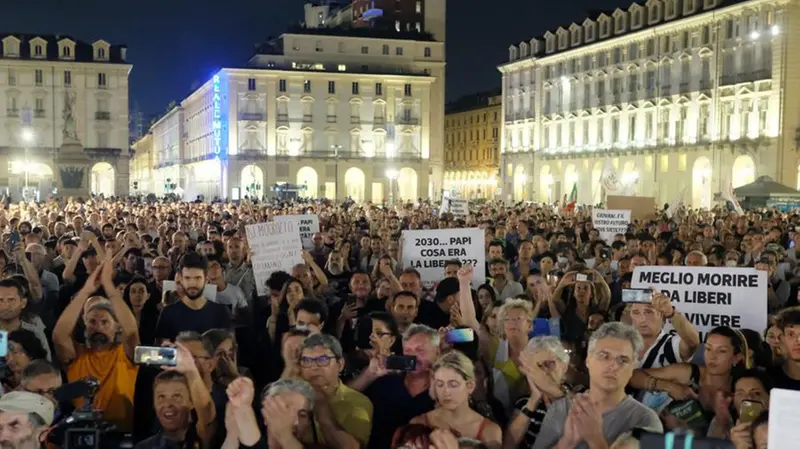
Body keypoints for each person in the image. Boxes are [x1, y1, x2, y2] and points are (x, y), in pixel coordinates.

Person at [532, 322, 662, 449]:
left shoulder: (645, 420)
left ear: (633, 367)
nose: (613, 365)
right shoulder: (561, 408)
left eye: (623, 360)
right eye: (604, 356)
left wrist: (595, 438)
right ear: (588, 360)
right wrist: (566, 443)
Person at [52, 257, 139, 432]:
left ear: (116, 327)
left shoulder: (125, 354)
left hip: (120, 434)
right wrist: (85, 291)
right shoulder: (77, 355)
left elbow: (131, 333)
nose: (97, 326)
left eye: (105, 322)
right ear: (84, 325)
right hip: (82, 432)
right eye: (92, 322)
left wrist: (110, 288)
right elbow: (59, 336)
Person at [350, 324, 438, 449]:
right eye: (408, 351)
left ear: (437, 352)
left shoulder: (445, 390)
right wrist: (369, 374)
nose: (413, 357)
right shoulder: (387, 382)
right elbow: (343, 398)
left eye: (420, 350)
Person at [405, 351, 502, 449]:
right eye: (440, 384)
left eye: (453, 384)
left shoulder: (490, 431)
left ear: (470, 386)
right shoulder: (419, 423)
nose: (446, 392)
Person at [134, 343, 216, 449]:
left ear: (191, 401)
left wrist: (191, 371)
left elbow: (207, 411)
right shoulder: (143, 447)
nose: (167, 404)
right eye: (161, 397)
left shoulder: (200, 438)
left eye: (176, 396)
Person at [299, 333, 374, 447]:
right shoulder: (294, 396)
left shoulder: (357, 403)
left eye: (323, 359)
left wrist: (323, 412)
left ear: (340, 364)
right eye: (307, 360)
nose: (314, 367)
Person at [505, 337, 571, 449]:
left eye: (549, 364)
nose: (544, 371)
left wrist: (557, 393)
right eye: (537, 367)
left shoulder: (580, 394)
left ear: (564, 367)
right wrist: (533, 399)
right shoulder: (524, 403)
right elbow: (508, 445)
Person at [154, 252, 233, 341]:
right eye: (187, 278)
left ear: (206, 279)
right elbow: (162, 351)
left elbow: (228, 350)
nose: (192, 283)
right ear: (181, 279)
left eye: (197, 278)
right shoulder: (168, 313)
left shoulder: (221, 313)